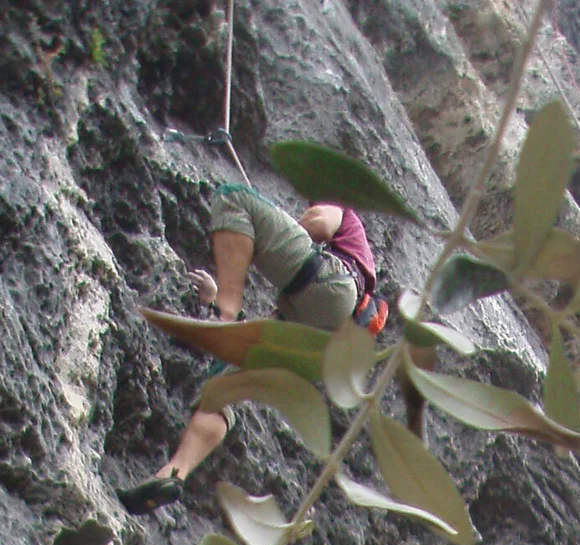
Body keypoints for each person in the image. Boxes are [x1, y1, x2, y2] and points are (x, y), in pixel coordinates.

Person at [118, 184, 383, 517]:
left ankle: (226, 306)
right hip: (324, 336)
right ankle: (173, 474)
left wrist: (275, 230)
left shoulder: (340, 205)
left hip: (334, 286)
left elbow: (319, 224)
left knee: (234, 198)